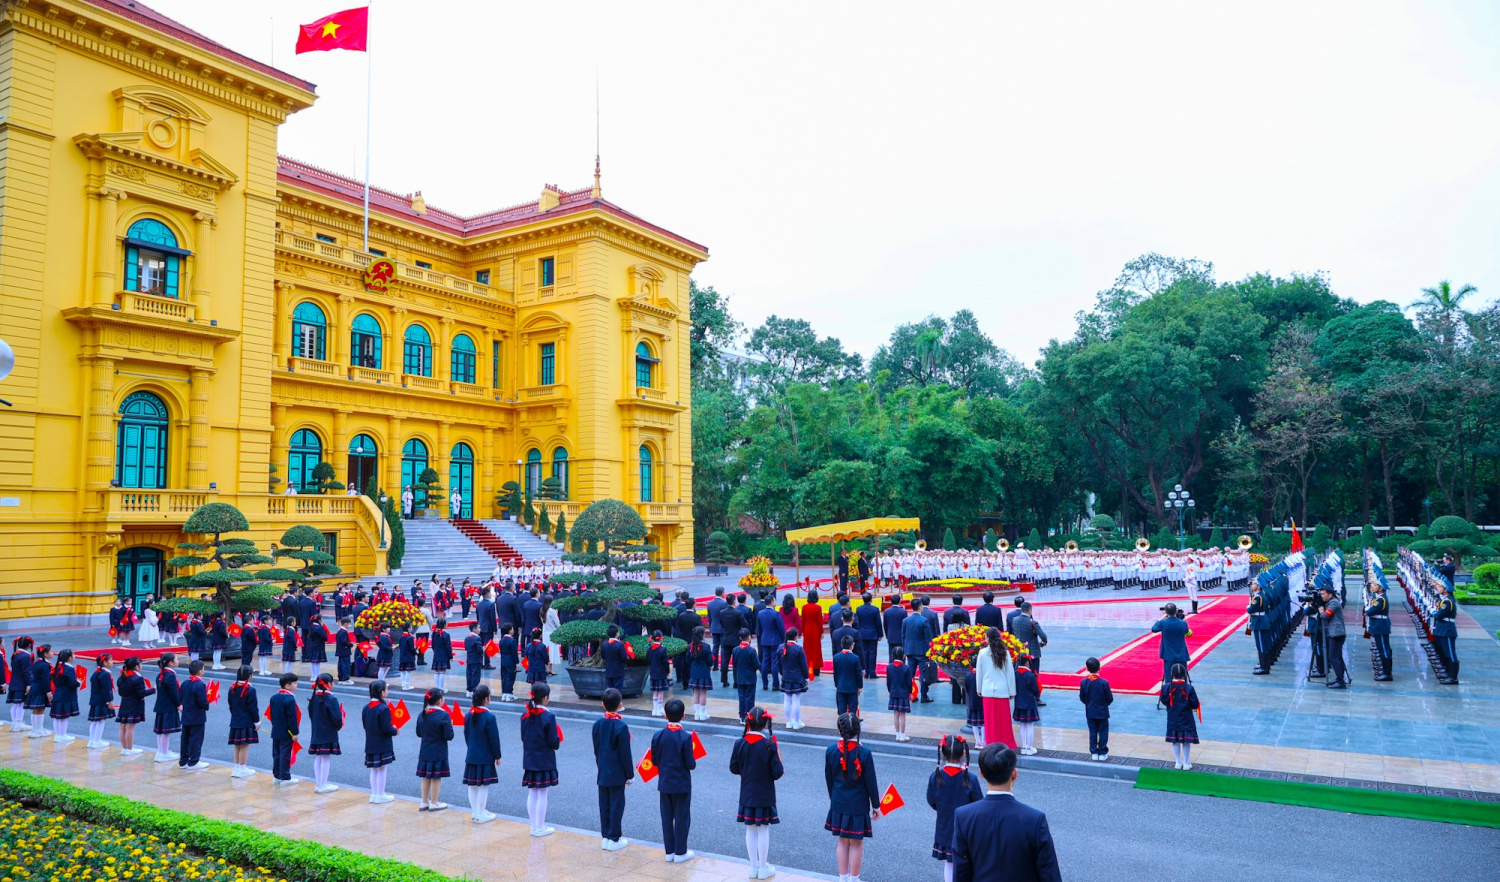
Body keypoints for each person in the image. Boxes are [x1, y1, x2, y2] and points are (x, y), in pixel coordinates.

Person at [952, 745, 1061, 882]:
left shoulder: (963, 816)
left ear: (982, 773)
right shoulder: (1034, 819)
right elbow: (1049, 873)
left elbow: (961, 871)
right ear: (1014, 773)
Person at [825, 713, 880, 882]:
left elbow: (829, 779)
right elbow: (871, 782)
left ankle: (843, 878)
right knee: (856, 843)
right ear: (858, 729)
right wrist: (876, 806)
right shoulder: (864, 753)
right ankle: (854, 879)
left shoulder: (831, 750)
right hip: (858, 805)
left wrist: (833, 798)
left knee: (842, 841)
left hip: (838, 802)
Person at [730, 707, 784, 880]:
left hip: (746, 792)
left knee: (750, 829)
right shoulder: (769, 744)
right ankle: (763, 867)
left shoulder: (740, 743)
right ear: (765, 724)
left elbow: (734, 768)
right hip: (765, 793)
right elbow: (777, 772)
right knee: (763, 830)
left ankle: (753, 867)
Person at [928, 735, 983, 882]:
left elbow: (931, 800)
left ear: (943, 754)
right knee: (967, 863)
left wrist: (942, 808)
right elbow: (979, 803)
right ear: (964, 753)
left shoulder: (936, 776)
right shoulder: (970, 778)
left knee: (950, 863)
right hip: (967, 827)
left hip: (944, 825)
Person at [653, 698, 697, 862]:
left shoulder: (658, 735)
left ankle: (669, 851)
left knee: (666, 817)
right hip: (682, 783)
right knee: (681, 817)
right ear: (683, 715)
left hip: (664, 781)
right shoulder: (685, 737)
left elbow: (655, 760)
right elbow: (690, 764)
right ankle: (680, 852)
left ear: (665, 716)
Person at [592, 688, 635, 850]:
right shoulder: (621, 726)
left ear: (603, 704)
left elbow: (596, 748)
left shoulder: (597, 724)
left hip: (603, 770)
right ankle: (614, 837)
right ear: (620, 705)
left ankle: (606, 836)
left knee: (604, 804)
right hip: (617, 773)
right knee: (617, 804)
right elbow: (625, 753)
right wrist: (629, 774)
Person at [520, 682, 562, 837]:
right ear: (545, 698)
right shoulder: (548, 716)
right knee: (543, 794)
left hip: (530, 758)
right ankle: (540, 826)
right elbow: (553, 742)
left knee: (532, 793)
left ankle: (534, 826)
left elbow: (523, 737)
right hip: (545, 759)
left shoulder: (525, 715)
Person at [463, 684, 503, 824]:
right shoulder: (489, 717)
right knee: (483, 786)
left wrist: (471, 748)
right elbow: (494, 738)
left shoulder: (468, 715)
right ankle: (480, 813)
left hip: (472, 754)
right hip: (485, 756)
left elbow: (466, 735)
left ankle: (475, 812)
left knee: (472, 785)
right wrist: (497, 755)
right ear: (486, 699)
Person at [975, 628, 1016, 749]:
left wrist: (979, 689)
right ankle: (1006, 744)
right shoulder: (1004, 652)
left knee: (990, 722)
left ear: (988, 638)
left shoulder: (982, 653)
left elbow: (979, 674)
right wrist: (1012, 691)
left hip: (987, 690)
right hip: (1002, 690)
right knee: (1004, 722)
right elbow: (1010, 673)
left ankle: (991, 745)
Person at [415, 687, 454, 812]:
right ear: (439, 701)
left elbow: (418, 733)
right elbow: (449, 736)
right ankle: (434, 802)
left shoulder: (422, 714)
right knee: (436, 777)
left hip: (425, 750)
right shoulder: (444, 715)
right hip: (439, 751)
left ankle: (424, 802)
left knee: (425, 777)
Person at [362, 679, 398, 803]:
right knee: (382, 769)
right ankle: (381, 794)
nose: (387, 691)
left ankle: (374, 794)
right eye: (386, 689)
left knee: (374, 769)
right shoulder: (383, 708)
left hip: (370, 742)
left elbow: (365, 725)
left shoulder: (366, 707)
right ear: (382, 692)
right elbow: (386, 728)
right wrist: (395, 730)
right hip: (383, 743)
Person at [1150, 603, 1191, 707]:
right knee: (1183, 676)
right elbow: (1189, 633)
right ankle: (1183, 697)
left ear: (1166, 612)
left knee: (1168, 679)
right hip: (1181, 653)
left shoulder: (1163, 623)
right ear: (1176, 611)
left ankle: (1170, 698)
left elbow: (1153, 629)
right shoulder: (1182, 623)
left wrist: (1163, 617)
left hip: (1168, 654)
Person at [308, 674, 343, 793]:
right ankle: (323, 784)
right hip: (328, 731)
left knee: (318, 757)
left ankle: (319, 783)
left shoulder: (314, 697)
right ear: (329, 684)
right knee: (326, 758)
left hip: (317, 730)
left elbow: (311, 714)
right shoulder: (331, 699)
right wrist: (338, 726)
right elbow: (337, 717)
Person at [1163, 663, 1200, 769]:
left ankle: (1178, 762)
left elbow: (1164, 700)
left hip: (1172, 718)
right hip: (1186, 719)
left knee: (1175, 741)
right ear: (1184, 674)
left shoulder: (1167, 687)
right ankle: (1186, 762)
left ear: (1171, 674)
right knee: (1186, 742)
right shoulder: (1189, 688)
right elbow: (1195, 704)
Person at [114, 655, 152, 757]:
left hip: (124, 703)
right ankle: (130, 749)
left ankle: (125, 748)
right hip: (134, 704)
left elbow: (120, 692)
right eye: (140, 664)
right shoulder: (137, 678)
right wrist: (154, 689)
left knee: (123, 726)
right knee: (130, 727)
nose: (141, 666)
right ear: (136, 667)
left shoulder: (122, 677)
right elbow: (141, 693)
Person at [226, 666, 259, 778]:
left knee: (237, 745)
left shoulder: (232, 688)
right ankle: (242, 768)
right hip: (246, 721)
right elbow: (253, 708)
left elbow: (231, 705)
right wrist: (257, 722)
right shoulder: (250, 690)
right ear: (249, 676)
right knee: (244, 745)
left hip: (235, 719)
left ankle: (236, 768)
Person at [178, 659, 210, 769]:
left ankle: (183, 761)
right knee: (196, 738)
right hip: (197, 716)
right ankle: (194, 761)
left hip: (186, 715)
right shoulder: (200, 685)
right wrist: (207, 704)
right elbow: (202, 702)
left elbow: (180, 697)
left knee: (185, 738)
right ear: (200, 671)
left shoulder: (185, 683)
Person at [1079, 657, 1113, 761]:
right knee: (1103, 731)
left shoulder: (1084, 682)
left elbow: (1082, 697)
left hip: (1090, 711)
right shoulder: (1104, 683)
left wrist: (1089, 704)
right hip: (1102, 711)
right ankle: (1102, 752)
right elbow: (1109, 698)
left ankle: (1094, 751)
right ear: (1099, 668)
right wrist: (1104, 705)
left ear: (1087, 668)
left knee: (1092, 732)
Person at [903, 600, 935, 703]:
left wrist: (905, 649)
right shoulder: (924, 620)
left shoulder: (906, 620)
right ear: (920, 607)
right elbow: (928, 638)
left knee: (910, 674)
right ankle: (924, 696)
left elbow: (903, 636)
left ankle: (911, 694)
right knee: (923, 675)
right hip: (922, 652)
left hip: (910, 650)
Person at [151, 653, 181, 761]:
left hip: (161, 705)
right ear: (171, 663)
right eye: (176, 659)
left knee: (160, 730)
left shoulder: (161, 674)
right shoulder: (170, 675)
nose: (178, 661)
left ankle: (161, 751)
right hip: (168, 706)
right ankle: (164, 753)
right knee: (165, 731)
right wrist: (178, 704)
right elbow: (173, 692)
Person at [48, 648, 81, 744]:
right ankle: (62, 735)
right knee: (64, 717)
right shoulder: (69, 669)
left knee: (57, 717)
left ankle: (58, 735)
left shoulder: (57, 667)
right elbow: (72, 683)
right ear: (69, 658)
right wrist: (78, 682)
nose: (74, 656)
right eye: (73, 655)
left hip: (57, 694)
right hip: (66, 695)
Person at [1318, 585, 1349, 689]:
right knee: (1337, 657)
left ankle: (1341, 681)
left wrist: (1321, 611)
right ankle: (1339, 678)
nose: (1322, 596)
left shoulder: (1334, 602)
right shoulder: (1330, 602)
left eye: (1323, 594)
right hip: (1334, 633)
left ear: (1330, 594)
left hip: (1336, 634)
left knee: (1333, 657)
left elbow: (1326, 616)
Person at [779, 628, 808, 730]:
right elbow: (804, 665)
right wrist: (806, 677)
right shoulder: (798, 649)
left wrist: (782, 673)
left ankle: (789, 721)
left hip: (786, 677)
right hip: (797, 678)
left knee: (787, 699)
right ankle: (796, 722)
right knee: (796, 700)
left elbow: (778, 663)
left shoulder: (781, 647)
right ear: (796, 637)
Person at [1012, 654, 1041, 755]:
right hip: (1029, 703)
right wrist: (1036, 696)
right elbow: (1036, 690)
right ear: (1027, 662)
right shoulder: (1030, 675)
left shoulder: (1015, 673)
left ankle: (1023, 747)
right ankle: (1029, 747)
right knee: (1029, 725)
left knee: (1022, 725)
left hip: (1018, 703)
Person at [1364, 580, 1393, 681]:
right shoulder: (1378, 598)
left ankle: (1387, 673)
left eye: (1375, 585)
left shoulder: (1381, 600)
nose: (1372, 586)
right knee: (1383, 649)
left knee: (1384, 650)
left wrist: (1368, 610)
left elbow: (1370, 612)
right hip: (1378, 625)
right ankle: (1386, 671)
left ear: (1380, 588)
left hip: (1380, 626)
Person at [756, 596, 786, 691]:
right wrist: (784, 640)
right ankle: (775, 684)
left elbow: (759, 629)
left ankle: (765, 684)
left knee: (765, 661)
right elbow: (781, 629)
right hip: (775, 640)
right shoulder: (776, 614)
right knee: (774, 662)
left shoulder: (760, 613)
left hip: (764, 639)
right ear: (772, 602)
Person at [23, 644, 53, 738]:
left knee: (35, 710)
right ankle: (38, 730)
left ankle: (35, 730)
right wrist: (48, 692)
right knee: (40, 709)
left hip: (34, 688)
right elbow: (45, 680)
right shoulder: (44, 665)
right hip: (40, 689)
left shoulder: (36, 663)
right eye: (51, 651)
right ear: (45, 654)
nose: (52, 653)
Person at [686, 628, 716, 721]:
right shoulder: (706, 646)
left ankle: (697, 713)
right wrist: (711, 665)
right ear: (702, 634)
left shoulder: (690, 646)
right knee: (703, 692)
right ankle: (703, 713)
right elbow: (710, 660)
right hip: (704, 671)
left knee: (695, 692)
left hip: (694, 671)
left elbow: (688, 659)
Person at [886, 646, 914, 742]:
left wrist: (890, 691)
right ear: (903, 656)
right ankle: (903, 735)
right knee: (902, 715)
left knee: (896, 714)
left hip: (894, 693)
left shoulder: (889, 667)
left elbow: (888, 682)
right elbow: (909, 683)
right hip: (903, 693)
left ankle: (897, 735)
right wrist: (910, 693)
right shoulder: (906, 668)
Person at [732, 628, 760, 721]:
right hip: (750, 676)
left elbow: (734, 664)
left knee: (741, 697)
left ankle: (742, 715)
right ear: (749, 637)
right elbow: (757, 664)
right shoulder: (751, 650)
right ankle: (749, 715)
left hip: (740, 677)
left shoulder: (735, 650)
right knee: (750, 697)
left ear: (740, 638)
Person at [6, 636, 32, 732]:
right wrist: (29, 684)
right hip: (22, 683)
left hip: (14, 681)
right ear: (29, 645)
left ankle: (14, 723)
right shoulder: (25, 656)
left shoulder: (16, 654)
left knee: (15, 704)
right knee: (21, 704)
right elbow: (26, 672)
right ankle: (18, 723)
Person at [833, 635, 863, 718]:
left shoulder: (836, 657)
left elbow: (835, 673)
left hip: (841, 686)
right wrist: (860, 686)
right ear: (852, 646)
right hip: (852, 688)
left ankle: (842, 724)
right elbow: (858, 674)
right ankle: (852, 724)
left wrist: (836, 684)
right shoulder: (855, 658)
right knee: (852, 709)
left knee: (842, 709)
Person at [1246, 581, 1273, 674]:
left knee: (1261, 645)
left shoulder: (1258, 597)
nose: (1252, 586)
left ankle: (1264, 667)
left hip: (1259, 622)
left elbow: (1250, 610)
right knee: (1262, 645)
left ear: (1258, 586)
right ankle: (1264, 664)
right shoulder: (1261, 595)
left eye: (1253, 584)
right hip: (1261, 620)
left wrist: (1248, 606)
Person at [855, 593, 883, 678]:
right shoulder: (875, 609)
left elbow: (858, 622)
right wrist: (880, 634)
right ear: (871, 599)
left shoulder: (859, 609)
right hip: (873, 634)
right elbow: (878, 623)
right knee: (873, 653)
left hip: (862, 633)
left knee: (864, 653)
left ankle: (866, 672)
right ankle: (872, 672)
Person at [802, 589, 826, 680]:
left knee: (807, 649)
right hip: (815, 630)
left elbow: (803, 620)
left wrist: (803, 630)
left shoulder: (804, 607)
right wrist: (821, 632)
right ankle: (816, 669)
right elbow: (819, 621)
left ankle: (808, 667)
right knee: (816, 649)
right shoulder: (818, 607)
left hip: (807, 630)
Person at [601, 625, 631, 693]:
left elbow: (603, 656)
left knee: (608, 691)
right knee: (617, 690)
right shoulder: (619, 645)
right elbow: (624, 658)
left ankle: (608, 703)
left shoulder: (604, 644)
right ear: (617, 634)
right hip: (618, 671)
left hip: (608, 670)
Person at [430, 617, 453, 692]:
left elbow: (432, 645)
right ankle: (441, 688)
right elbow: (448, 647)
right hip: (444, 655)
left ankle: (437, 687)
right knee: (442, 671)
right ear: (443, 625)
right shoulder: (446, 635)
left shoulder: (434, 634)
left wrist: (436, 651)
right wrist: (450, 656)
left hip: (436, 654)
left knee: (437, 672)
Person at [499, 624, 520, 700]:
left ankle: (504, 693)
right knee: (510, 677)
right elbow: (514, 653)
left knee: (504, 677)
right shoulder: (512, 641)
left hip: (503, 661)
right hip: (511, 662)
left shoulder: (501, 640)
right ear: (510, 631)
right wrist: (517, 663)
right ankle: (509, 694)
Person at [463, 623, 484, 695]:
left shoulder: (467, 638)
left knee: (469, 675)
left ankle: (469, 691)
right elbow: (479, 650)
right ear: (474, 629)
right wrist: (482, 650)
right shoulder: (477, 638)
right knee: (476, 676)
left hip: (469, 659)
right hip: (476, 659)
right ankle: (474, 691)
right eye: (479, 628)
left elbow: (466, 648)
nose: (480, 629)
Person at [397, 625, 417, 691]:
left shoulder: (401, 637)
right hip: (409, 656)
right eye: (411, 627)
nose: (412, 628)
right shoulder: (410, 638)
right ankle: (407, 685)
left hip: (402, 656)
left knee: (402, 671)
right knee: (408, 671)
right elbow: (411, 648)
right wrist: (416, 652)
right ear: (408, 628)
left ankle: (403, 685)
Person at [335, 618, 355, 685]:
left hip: (340, 651)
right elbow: (344, 641)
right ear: (346, 623)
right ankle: (346, 678)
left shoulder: (339, 631)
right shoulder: (343, 632)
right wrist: (350, 644)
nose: (349, 625)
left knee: (341, 664)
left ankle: (341, 678)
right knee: (346, 664)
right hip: (344, 651)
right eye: (349, 624)